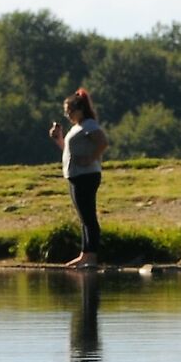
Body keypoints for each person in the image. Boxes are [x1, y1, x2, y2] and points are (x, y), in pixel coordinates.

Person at [47, 89, 109, 269]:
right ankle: (85, 254)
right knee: (83, 217)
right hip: (75, 176)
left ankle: (92, 256)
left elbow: (102, 142)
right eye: (66, 112)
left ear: (80, 109)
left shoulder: (89, 124)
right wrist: (59, 138)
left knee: (89, 216)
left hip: (86, 175)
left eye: (70, 111)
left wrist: (91, 158)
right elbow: (69, 150)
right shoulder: (78, 127)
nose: (68, 115)